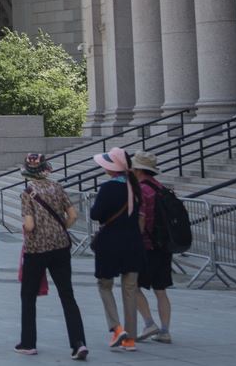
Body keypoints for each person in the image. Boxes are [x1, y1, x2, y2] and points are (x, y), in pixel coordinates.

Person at [16, 154, 88, 360]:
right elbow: (72, 215)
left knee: (28, 296)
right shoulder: (57, 187)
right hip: (61, 247)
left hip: (36, 249)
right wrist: (59, 229)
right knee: (67, 294)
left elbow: (29, 225)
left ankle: (28, 343)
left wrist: (29, 229)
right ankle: (78, 343)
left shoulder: (28, 193)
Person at [89, 147, 144, 351]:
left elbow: (96, 214)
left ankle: (116, 327)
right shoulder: (134, 186)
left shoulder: (108, 187)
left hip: (111, 242)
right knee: (130, 289)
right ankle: (131, 338)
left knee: (105, 285)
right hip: (133, 243)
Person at [131, 152, 173, 344]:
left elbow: (140, 219)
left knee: (132, 286)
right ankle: (165, 331)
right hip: (163, 246)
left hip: (146, 246)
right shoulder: (162, 188)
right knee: (161, 290)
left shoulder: (140, 190)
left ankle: (149, 323)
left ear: (138, 170)